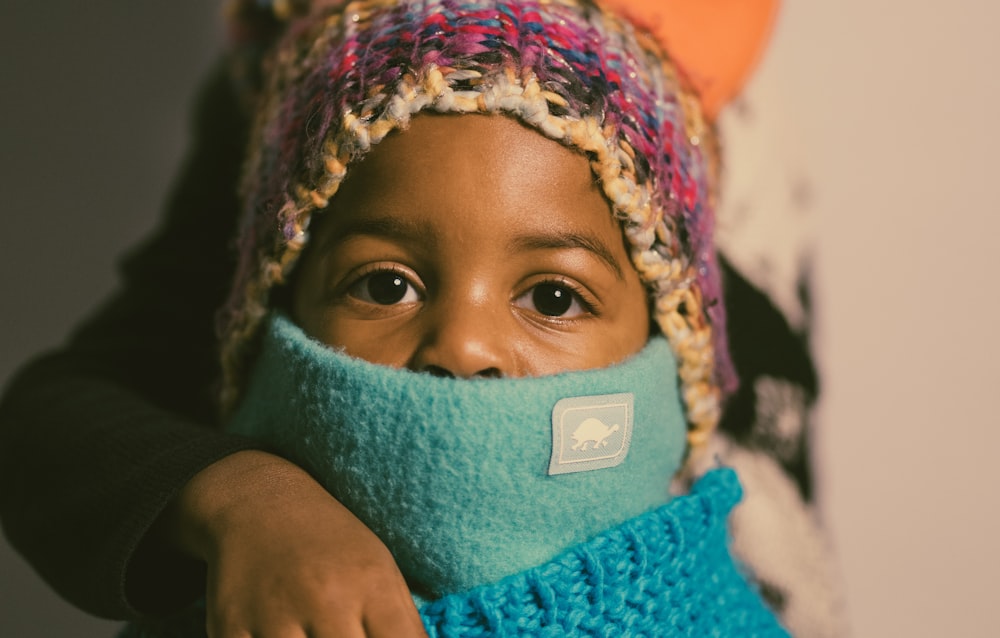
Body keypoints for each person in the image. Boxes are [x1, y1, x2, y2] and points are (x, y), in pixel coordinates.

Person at [0, 0, 844, 636]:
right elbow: (61, 417)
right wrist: (243, 500)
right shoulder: (309, 103)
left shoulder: (748, 153)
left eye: (551, 297)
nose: (465, 346)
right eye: (389, 283)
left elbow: (781, 459)